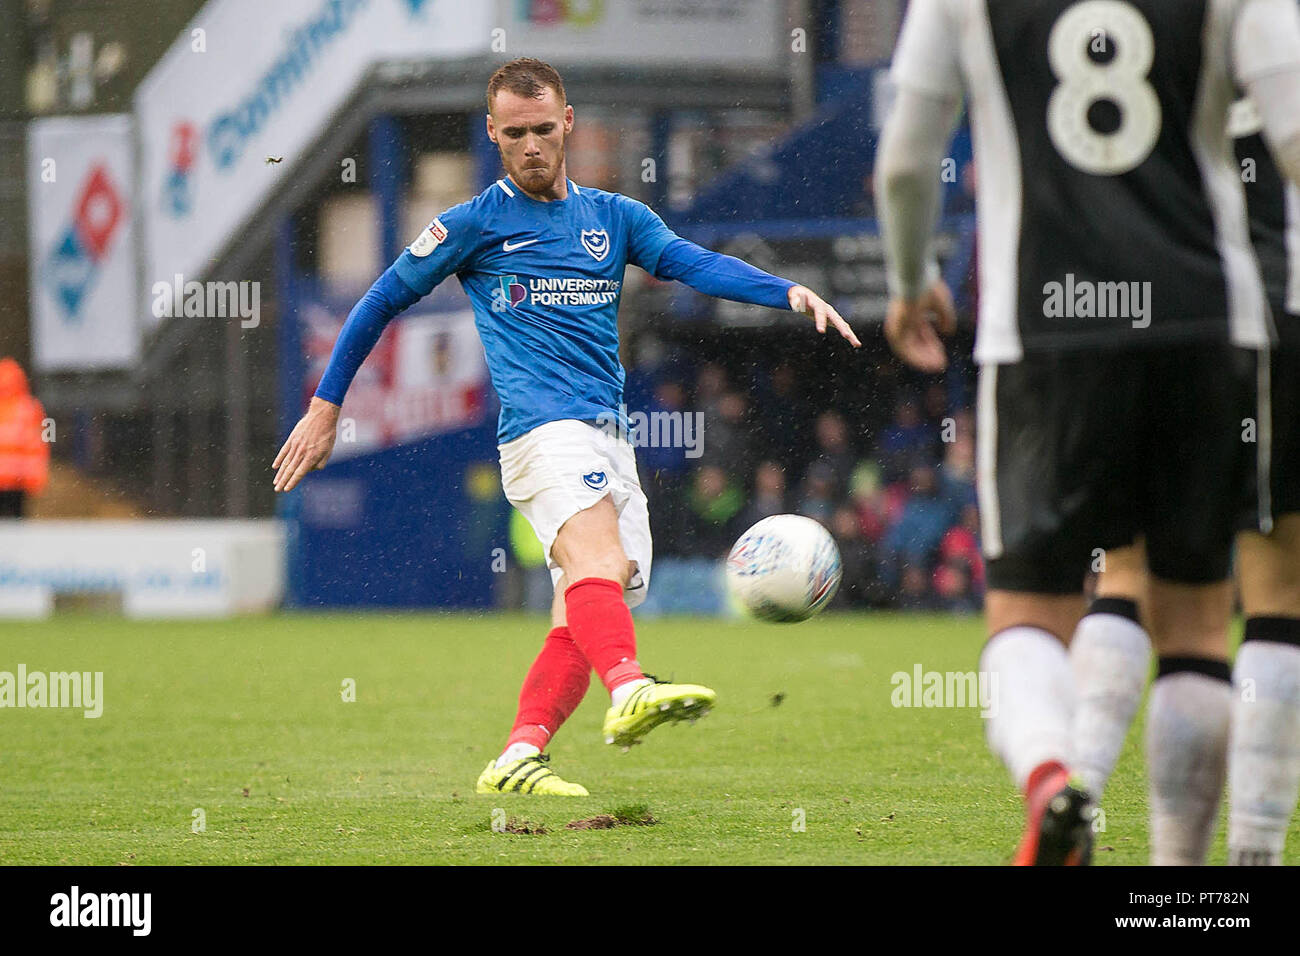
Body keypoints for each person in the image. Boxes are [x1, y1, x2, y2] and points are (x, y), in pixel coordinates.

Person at [273, 58, 859, 796]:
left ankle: (520, 753)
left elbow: (690, 263)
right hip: (540, 434)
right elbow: (378, 302)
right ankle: (629, 689)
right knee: (599, 566)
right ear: (493, 133)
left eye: (543, 129)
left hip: (607, 435)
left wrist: (788, 291)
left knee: (585, 603)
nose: (530, 146)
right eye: (514, 133)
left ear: (568, 123)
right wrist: (327, 407)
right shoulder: (472, 224)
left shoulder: (614, 218)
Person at [877, 0, 1300, 864]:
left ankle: (1054, 779)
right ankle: (1191, 883)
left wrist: (912, 277)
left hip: (1044, 331)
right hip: (1209, 324)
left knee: (1031, 607)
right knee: (1197, 623)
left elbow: (905, 164)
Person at [1070, 91, 1300, 866]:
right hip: (1272, 300)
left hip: (1135, 303)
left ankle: (1074, 792)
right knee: (1275, 591)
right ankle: (1247, 860)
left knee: (1128, 572)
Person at [0, 358, 49, 517]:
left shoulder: (29, 409)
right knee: (16, 527)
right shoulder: (30, 408)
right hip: (18, 481)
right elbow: (38, 446)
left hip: (16, 482)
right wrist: (36, 477)